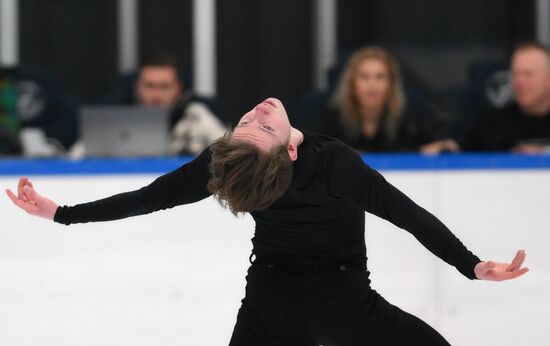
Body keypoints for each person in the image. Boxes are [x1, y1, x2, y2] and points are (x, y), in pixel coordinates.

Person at [6, 97, 528, 345]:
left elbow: (152, 197)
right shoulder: (333, 164)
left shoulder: (229, 161)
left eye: (250, 122)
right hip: (339, 303)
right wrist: (471, 266)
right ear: (289, 154)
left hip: (271, 299)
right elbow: (407, 215)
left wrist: (61, 215)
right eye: (258, 123)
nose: (257, 112)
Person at [70, 52, 227, 157]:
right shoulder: (115, 116)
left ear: (178, 88)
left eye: (164, 86)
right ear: (138, 87)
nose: (156, 95)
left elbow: (229, 152)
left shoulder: (196, 114)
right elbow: (74, 158)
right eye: (150, 86)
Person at [318, 46, 459, 154]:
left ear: (391, 84)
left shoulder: (411, 115)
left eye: (380, 77)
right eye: (364, 77)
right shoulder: (332, 117)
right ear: (352, 84)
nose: (372, 85)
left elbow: (447, 146)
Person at [467, 42, 550, 153]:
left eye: (528, 74)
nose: (519, 82)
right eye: (515, 74)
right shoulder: (490, 126)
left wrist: (543, 154)